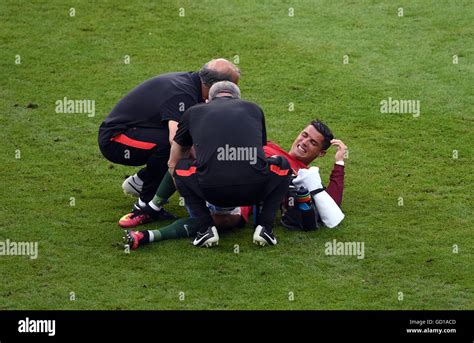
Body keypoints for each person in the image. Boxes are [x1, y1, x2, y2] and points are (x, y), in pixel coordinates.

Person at [122, 120, 347, 250]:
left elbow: (332, 205)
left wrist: (339, 163)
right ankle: (150, 205)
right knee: (186, 152)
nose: (304, 142)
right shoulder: (269, 145)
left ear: (321, 153)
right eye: (304, 135)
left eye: (313, 142)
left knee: (225, 220)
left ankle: (149, 235)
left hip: (239, 202)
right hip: (216, 175)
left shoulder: (305, 174)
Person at [125, 81, 291, 249]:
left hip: (212, 191)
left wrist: (190, 193)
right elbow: (259, 149)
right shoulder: (254, 108)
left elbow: (173, 161)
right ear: (238, 99)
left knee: (180, 167)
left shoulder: (193, 112)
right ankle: (265, 228)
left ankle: (204, 227)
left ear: (207, 100)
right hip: (253, 191)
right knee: (283, 164)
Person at [98, 59, 240, 216]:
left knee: (182, 143)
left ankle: (142, 180)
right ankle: (145, 204)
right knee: (175, 146)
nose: (234, 93)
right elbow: (176, 139)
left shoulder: (195, 85)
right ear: (215, 86)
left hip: (137, 129)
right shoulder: (183, 94)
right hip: (115, 139)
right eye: (232, 87)